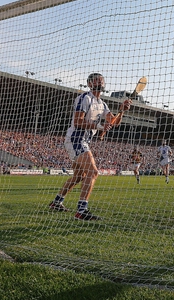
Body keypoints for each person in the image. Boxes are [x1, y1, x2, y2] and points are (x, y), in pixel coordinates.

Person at [49, 73, 131, 220]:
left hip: (84, 141)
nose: (100, 82)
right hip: (76, 139)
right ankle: (81, 210)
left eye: (101, 80)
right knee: (93, 172)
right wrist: (99, 126)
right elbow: (78, 121)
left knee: (79, 176)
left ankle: (56, 202)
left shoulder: (102, 104)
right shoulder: (84, 98)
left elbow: (114, 122)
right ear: (89, 83)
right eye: (96, 80)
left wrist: (122, 110)